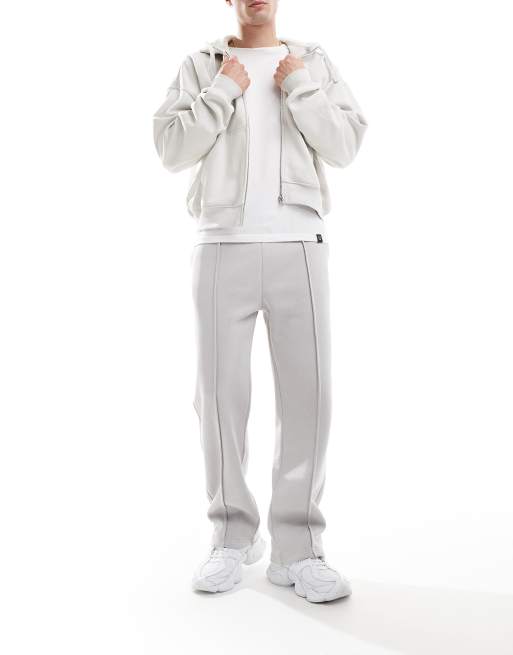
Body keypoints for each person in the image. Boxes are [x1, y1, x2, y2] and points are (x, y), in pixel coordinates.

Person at [152, 0, 368, 603]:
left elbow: (345, 144)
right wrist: (222, 90)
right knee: (219, 396)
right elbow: (171, 150)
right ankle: (231, 536)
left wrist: (299, 85)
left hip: (301, 243)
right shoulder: (202, 65)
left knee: (310, 396)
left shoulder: (312, 62)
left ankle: (298, 549)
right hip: (221, 244)